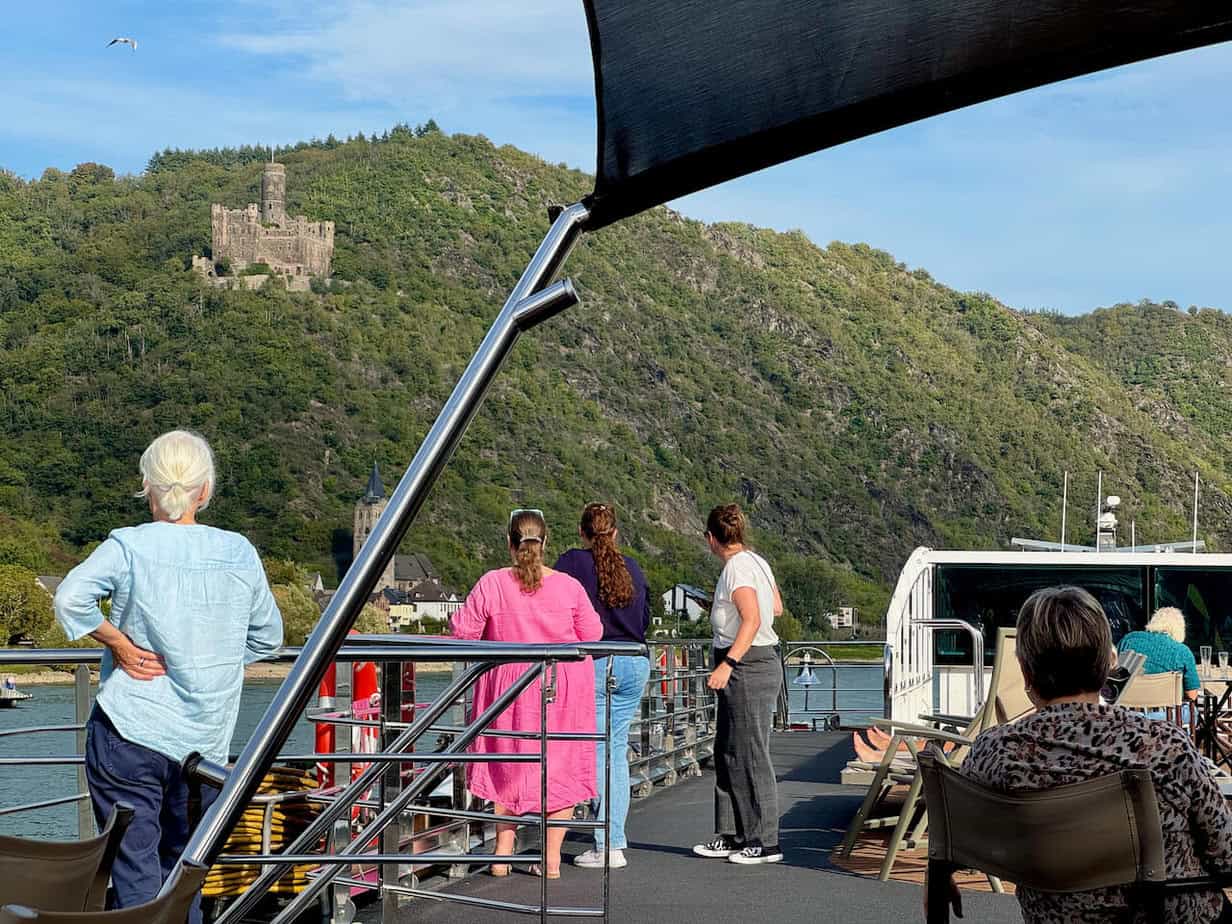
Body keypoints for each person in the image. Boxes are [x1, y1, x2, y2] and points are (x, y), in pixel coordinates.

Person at [53, 430, 283, 924]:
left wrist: (120, 645)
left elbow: (70, 598)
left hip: (129, 733)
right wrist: (214, 659)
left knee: (134, 876)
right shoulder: (238, 552)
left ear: (147, 485)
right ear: (205, 491)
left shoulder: (129, 546)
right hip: (203, 750)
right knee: (185, 876)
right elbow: (269, 638)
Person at [940, 586, 1232, 924]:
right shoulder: (1166, 747)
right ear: (1110, 662)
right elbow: (1225, 854)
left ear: (1024, 669)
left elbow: (960, 842)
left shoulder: (996, 752)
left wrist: (940, 874)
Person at [450, 508, 603, 879]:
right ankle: (551, 861)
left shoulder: (492, 582)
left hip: (508, 688)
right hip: (561, 689)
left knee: (508, 765)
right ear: (545, 543)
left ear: (509, 543)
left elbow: (463, 632)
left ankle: (502, 852)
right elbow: (593, 634)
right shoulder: (569, 586)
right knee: (560, 770)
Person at [554, 503, 651, 870]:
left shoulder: (572, 563)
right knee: (616, 750)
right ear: (615, 533)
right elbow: (644, 618)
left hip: (595, 662)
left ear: (582, 533)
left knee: (595, 751)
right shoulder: (633, 567)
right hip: (635, 661)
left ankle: (606, 844)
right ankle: (613, 841)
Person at [691, 503, 784, 865]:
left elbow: (754, 618)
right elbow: (775, 606)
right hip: (755, 660)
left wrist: (728, 663)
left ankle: (764, 841)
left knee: (750, 754)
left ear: (711, 538)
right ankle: (734, 834)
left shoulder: (736, 569)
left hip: (747, 664)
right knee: (728, 750)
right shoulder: (756, 562)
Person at [1118, 605, 1201, 702]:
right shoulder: (1183, 652)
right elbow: (1192, 696)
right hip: (1166, 715)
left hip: (1127, 712)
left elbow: (1112, 670)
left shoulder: (1129, 639)